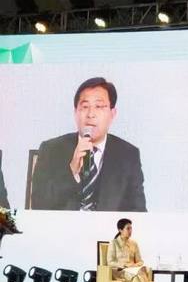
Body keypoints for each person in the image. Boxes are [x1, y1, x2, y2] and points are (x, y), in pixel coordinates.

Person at [31, 77, 146, 211]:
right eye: (85, 107)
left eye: (99, 106)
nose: (91, 114)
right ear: (75, 113)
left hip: (106, 225)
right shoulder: (51, 150)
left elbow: (138, 212)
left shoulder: (128, 155)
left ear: (112, 114)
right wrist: (71, 172)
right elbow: (38, 205)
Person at [107, 218, 161, 282]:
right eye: (128, 228)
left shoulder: (134, 243)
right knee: (139, 272)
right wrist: (125, 265)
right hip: (120, 271)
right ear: (120, 230)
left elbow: (140, 261)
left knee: (137, 278)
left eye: (131, 228)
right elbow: (110, 262)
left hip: (134, 271)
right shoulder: (113, 243)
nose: (130, 231)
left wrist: (135, 265)